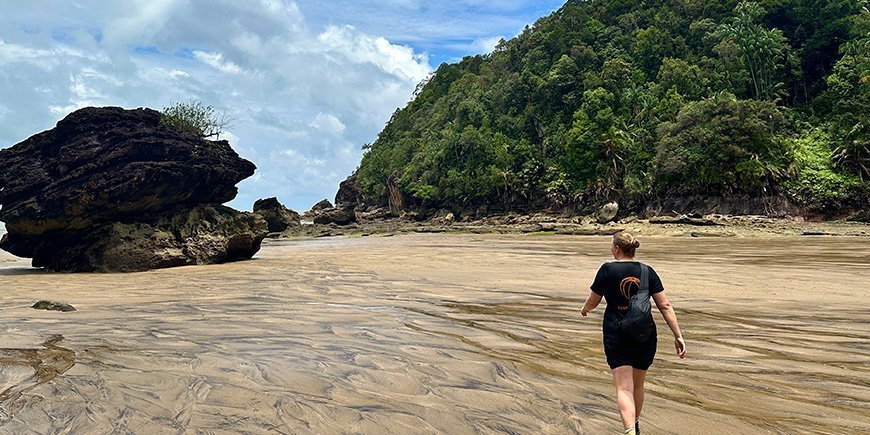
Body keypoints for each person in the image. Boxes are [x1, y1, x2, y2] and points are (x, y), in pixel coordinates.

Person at [581, 232, 686, 435]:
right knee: (638, 386)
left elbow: (593, 301)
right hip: (644, 334)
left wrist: (585, 309)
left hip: (616, 333)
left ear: (617, 249)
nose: (611, 249)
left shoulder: (607, 270)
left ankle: (629, 431)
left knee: (623, 388)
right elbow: (664, 305)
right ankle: (635, 423)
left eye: (612, 246)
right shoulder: (647, 271)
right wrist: (678, 335)